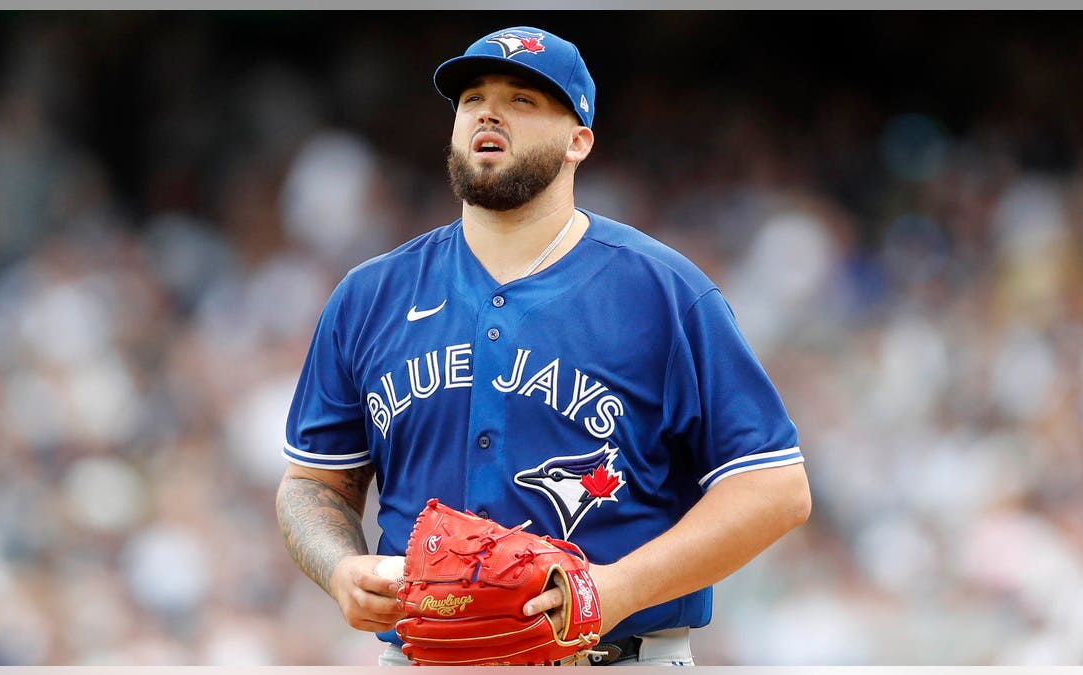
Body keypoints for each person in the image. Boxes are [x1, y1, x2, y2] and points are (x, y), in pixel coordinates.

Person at [276, 25, 811, 666]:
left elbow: (775, 489)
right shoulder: (371, 296)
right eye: (472, 98)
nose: (489, 112)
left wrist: (615, 588)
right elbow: (313, 485)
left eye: (523, 100)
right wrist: (340, 567)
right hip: (425, 658)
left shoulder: (661, 292)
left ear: (578, 141)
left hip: (610, 657)